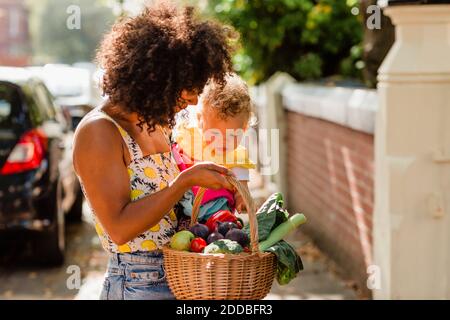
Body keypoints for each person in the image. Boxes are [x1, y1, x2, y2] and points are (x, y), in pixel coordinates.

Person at [72, 2, 235, 300]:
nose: (194, 98)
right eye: (188, 86)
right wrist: (184, 181)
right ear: (155, 78)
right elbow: (119, 228)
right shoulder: (100, 131)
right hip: (138, 283)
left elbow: (165, 213)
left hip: (179, 274)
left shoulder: (154, 126)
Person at [174, 74, 255, 225]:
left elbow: (242, 189)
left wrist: (242, 200)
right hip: (183, 211)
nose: (222, 142)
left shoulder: (237, 158)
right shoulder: (190, 140)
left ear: (243, 130)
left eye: (231, 136)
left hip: (219, 216)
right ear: (200, 121)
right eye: (215, 134)